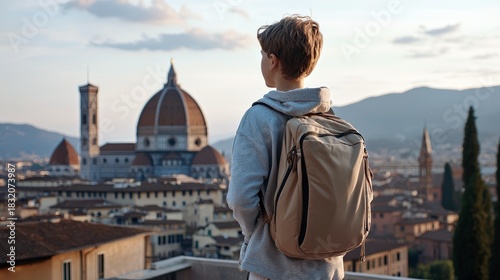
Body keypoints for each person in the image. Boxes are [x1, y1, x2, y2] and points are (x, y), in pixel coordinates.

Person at [227, 15, 344, 280]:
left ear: (272, 60)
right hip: (327, 269)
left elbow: (240, 198)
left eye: (261, 54)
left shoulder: (258, 119)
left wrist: (257, 236)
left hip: (275, 267)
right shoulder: (331, 120)